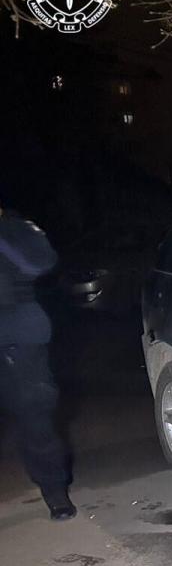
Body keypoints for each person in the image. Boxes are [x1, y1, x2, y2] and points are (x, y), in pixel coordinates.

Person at [0, 205, 74, 520]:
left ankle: (54, 490)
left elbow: (41, 262)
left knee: (35, 415)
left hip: (20, 333)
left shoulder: (16, 229)